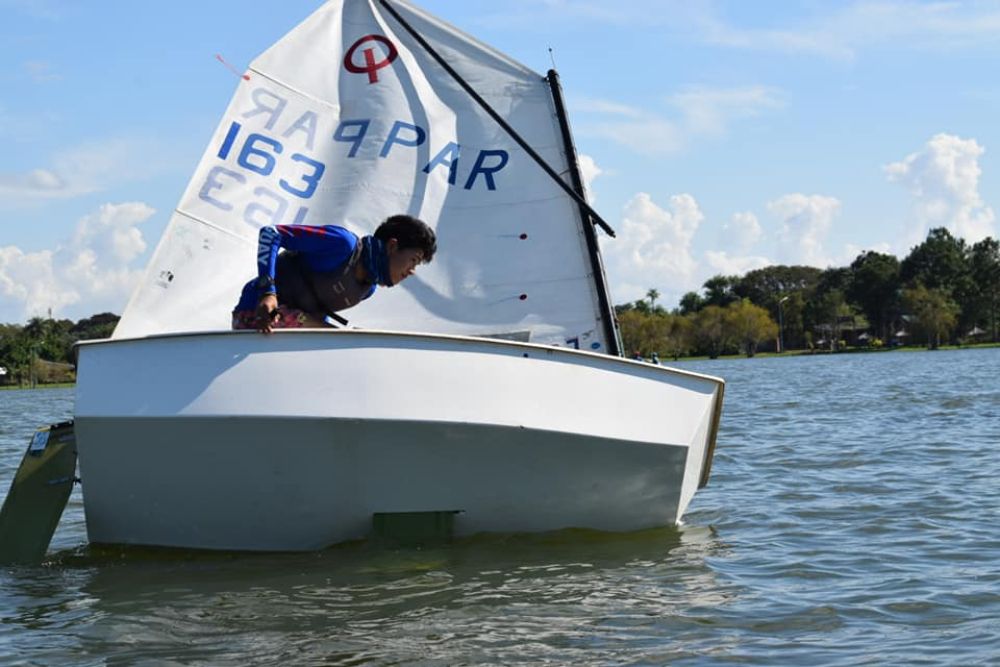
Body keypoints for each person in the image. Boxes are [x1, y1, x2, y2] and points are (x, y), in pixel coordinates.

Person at [232, 214, 436, 333]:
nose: (412, 272)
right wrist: (267, 292)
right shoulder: (342, 244)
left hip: (290, 337)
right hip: (256, 318)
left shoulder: (367, 289)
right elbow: (271, 234)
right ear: (392, 246)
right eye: (414, 260)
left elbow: (315, 317)